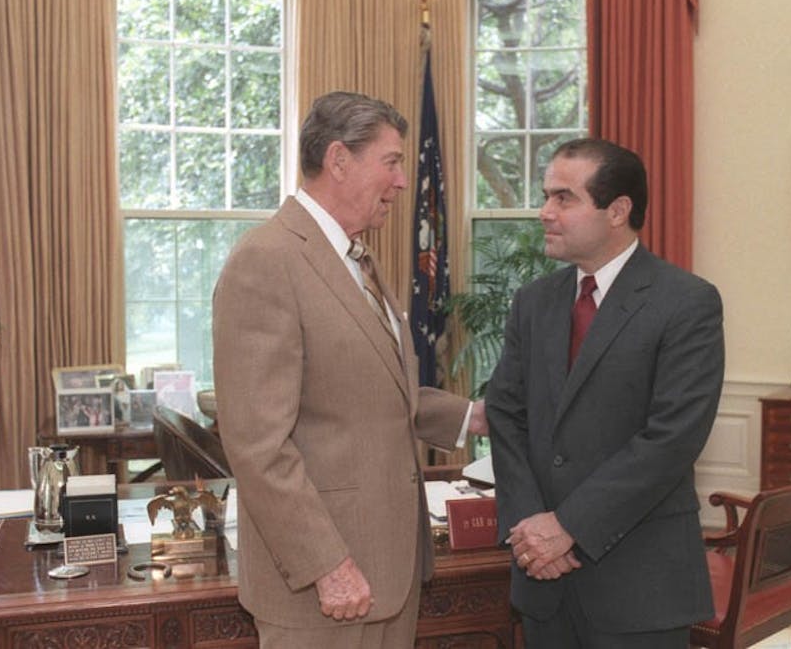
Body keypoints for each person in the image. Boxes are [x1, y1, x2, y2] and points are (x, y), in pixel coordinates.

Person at [213, 90, 488, 648]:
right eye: (390, 162)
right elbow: (257, 445)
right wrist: (327, 564)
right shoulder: (267, 260)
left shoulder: (356, 257)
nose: (402, 182)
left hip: (388, 570)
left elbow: (371, 388)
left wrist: (474, 417)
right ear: (338, 159)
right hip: (325, 585)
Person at [485, 138, 724, 648]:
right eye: (546, 196)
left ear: (617, 211)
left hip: (640, 582)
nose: (545, 212)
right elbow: (506, 414)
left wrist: (569, 527)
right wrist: (531, 527)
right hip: (542, 578)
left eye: (563, 198)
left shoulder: (686, 302)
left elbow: (672, 438)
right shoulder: (534, 302)